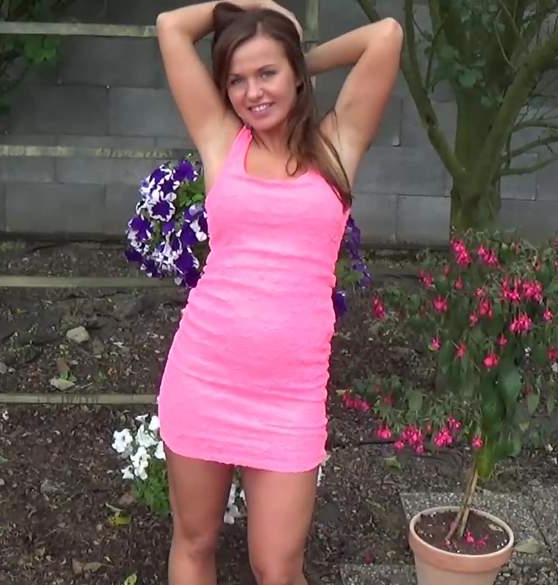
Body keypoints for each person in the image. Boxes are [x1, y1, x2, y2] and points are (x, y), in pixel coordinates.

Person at [153, 2, 403, 584]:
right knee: (195, 541)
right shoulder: (221, 140)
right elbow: (171, 27)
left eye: (267, 73)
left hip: (289, 395)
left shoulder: (337, 146)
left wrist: (299, 56)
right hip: (203, 376)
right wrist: (254, 6)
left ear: (294, 74)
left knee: (279, 565)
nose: (252, 92)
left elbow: (387, 36)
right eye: (237, 80)